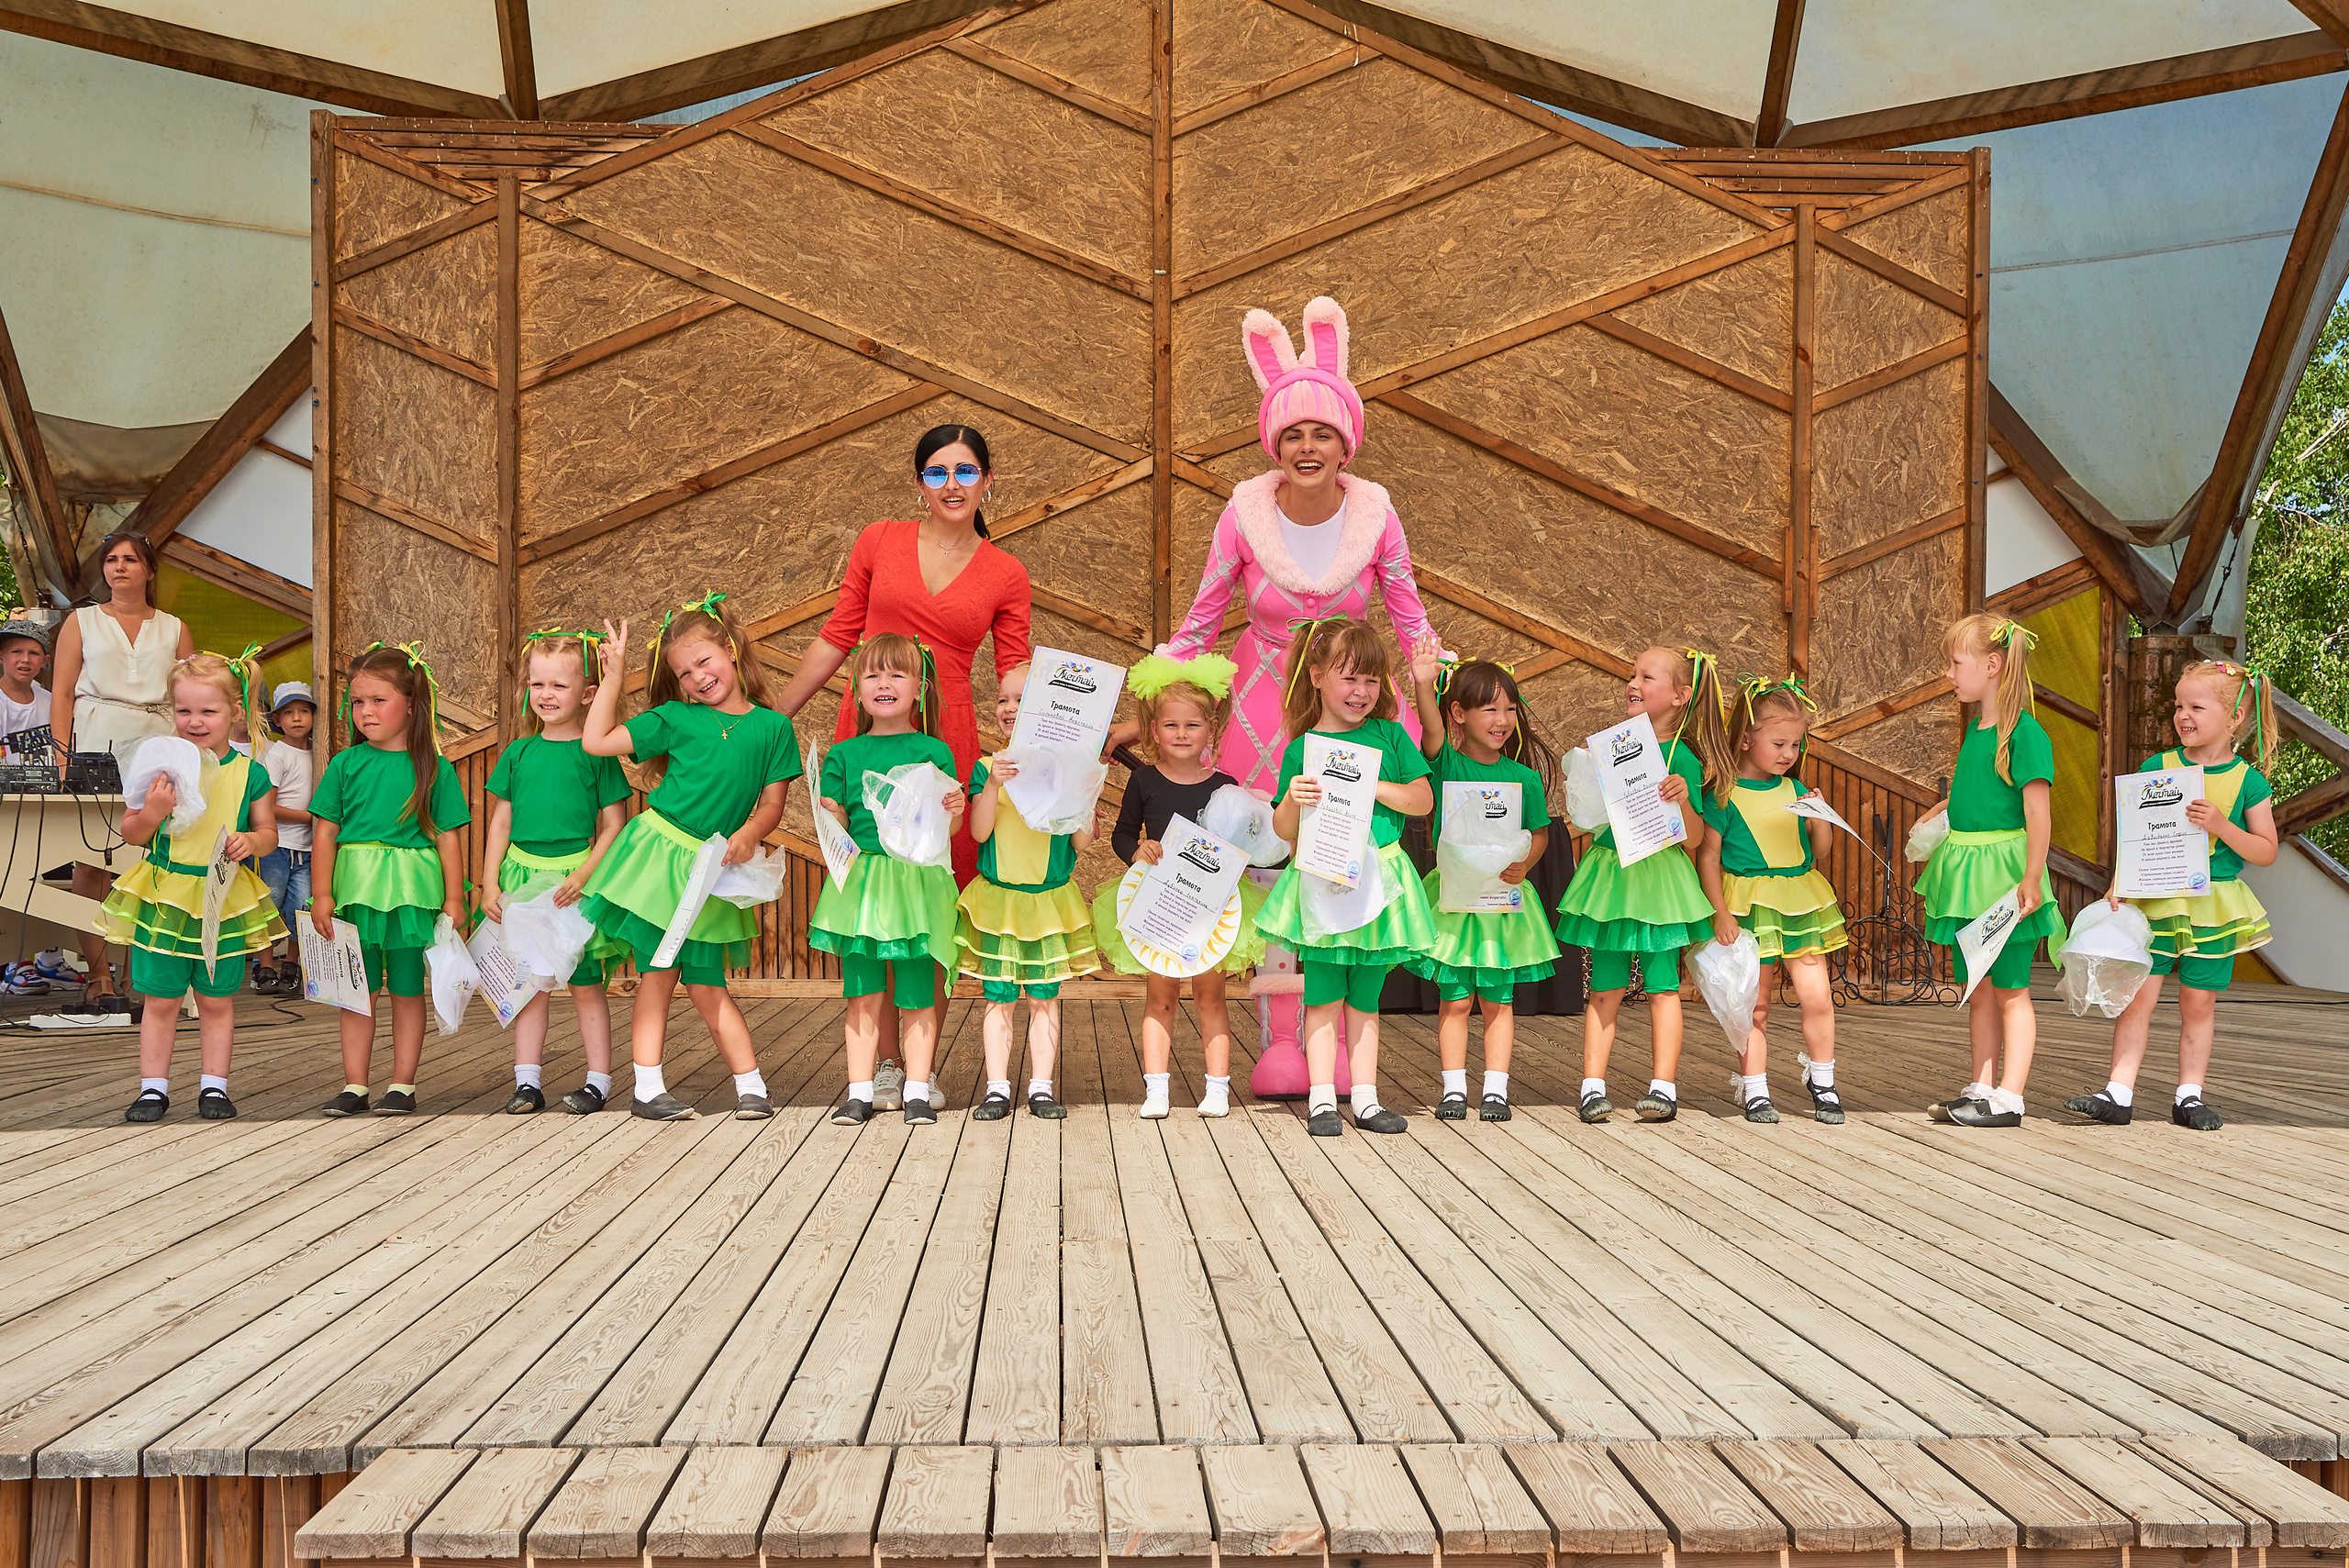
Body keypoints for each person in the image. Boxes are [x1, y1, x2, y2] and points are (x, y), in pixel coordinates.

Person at [1139, 298, 1438, 1095]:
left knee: (1344, 854)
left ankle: (1336, 1044)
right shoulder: (1244, 513)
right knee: (1271, 864)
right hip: (1265, 703)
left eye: (1323, 432)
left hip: (1348, 702)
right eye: (1294, 433)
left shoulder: (1376, 514)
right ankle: (1280, 1041)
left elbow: (1407, 610)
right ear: (1275, 441)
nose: (1308, 447)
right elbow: (1203, 615)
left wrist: (1426, 681)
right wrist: (1158, 684)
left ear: (1347, 440)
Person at [776, 426, 1031, 1110]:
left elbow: (1017, 667)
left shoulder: (1005, 572)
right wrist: (771, 718)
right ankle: (882, 1065)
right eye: (938, 472)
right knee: (870, 898)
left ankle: (917, 1068)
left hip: (941, 750)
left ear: (987, 481)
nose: (952, 484)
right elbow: (837, 636)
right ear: (918, 483)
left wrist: (1060, 728)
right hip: (865, 739)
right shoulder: (878, 539)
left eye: (966, 470)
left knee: (926, 903)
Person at [580, 595, 800, 1122]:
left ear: (730, 649)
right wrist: (613, 676)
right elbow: (596, 741)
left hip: (714, 867)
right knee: (658, 972)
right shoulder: (675, 718)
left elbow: (772, 805)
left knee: (707, 982)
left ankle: (752, 1088)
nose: (698, 677)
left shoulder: (772, 728)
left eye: (704, 661)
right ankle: (648, 1090)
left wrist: (750, 833)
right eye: (684, 673)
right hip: (660, 857)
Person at [2065, 661, 2279, 1132]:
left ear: (2234, 718)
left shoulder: (2248, 781)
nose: (2182, 715)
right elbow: (2138, 838)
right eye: (2178, 705)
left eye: (2196, 706)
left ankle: (2189, 1096)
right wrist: (2120, 883)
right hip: (2156, 902)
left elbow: (2266, 851)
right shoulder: (2156, 767)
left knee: (2198, 1003)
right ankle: (2118, 1093)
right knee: (2137, 999)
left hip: (2214, 908)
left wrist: (2223, 826)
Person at [1260, 617, 1434, 1137]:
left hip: (1381, 877)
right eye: (1348, 677)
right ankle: (1320, 1101)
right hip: (1321, 877)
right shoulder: (1302, 748)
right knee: (1323, 993)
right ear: (1315, 676)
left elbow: (1422, 800)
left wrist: (1374, 787)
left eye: (1371, 680)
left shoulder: (1390, 735)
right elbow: (1283, 829)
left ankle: (1366, 1098)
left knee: (1366, 997)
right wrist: (1294, 797)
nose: (1361, 692)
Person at [105, 651, 284, 1122]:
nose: (195, 721)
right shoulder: (161, 763)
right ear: (172, 712)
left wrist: (251, 840)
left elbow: (269, 833)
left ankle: (214, 1087)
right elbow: (133, 833)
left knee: (215, 998)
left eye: (208, 711)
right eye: (184, 711)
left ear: (235, 713)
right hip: (165, 895)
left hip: (221, 898)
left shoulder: (251, 773)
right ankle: (152, 1088)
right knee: (161, 999)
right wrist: (152, 813)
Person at [1553, 647, 1728, 1124]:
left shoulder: (1684, 758)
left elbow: (1693, 838)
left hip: (1659, 881)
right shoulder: (1609, 746)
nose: (1633, 683)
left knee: (1662, 987)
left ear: (1679, 695)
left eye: (1646, 677)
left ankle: (1663, 1087)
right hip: (1611, 875)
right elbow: (1587, 818)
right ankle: (1592, 1087)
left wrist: (1683, 799)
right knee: (1604, 987)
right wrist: (1587, 777)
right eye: (1631, 675)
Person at [1094, 652, 1266, 1118]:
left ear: (1211, 729)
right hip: (1160, 903)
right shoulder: (1144, 780)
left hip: (1211, 909)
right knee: (1161, 996)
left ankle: (1216, 1089)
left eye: (1193, 725)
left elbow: (1242, 843)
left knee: (1211, 995)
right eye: (1171, 725)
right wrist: (1137, 852)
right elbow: (1123, 832)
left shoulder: (1227, 785)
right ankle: (1156, 1090)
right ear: (1154, 731)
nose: (1183, 734)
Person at [1918, 615, 2066, 1129]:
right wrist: (1942, 814)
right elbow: (1980, 799)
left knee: (2011, 988)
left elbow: (2036, 813)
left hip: (2004, 876)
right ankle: (1980, 1087)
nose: (1950, 674)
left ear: (1992, 664)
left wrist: (2030, 876)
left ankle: (2010, 1097)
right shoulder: (1977, 730)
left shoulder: (2025, 733)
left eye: (1956, 663)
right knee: (1978, 986)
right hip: (1966, 875)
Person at [309, 642, 470, 1116]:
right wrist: (322, 893)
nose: (365, 711)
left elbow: (448, 839)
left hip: (410, 896)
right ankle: (355, 1085)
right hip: (355, 892)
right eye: (358, 701)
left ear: (412, 704)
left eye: (379, 700)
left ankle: (402, 1084)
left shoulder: (433, 768)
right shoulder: (344, 764)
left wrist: (455, 900)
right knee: (356, 991)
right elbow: (325, 834)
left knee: (405, 987)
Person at [810, 633, 963, 1127]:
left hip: (917, 880)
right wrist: (829, 812)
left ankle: (918, 1089)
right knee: (862, 989)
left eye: (897, 674)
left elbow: (949, 829)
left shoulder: (935, 751)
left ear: (919, 689)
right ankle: (858, 1091)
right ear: (856, 690)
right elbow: (834, 825)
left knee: (919, 984)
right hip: (862, 882)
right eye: (873, 674)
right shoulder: (843, 754)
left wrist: (956, 810)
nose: (884, 683)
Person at [1405, 639, 1559, 1123]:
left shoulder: (1524, 778)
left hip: (1502, 902)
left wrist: (1526, 864)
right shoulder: (1445, 764)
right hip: (1454, 900)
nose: (1502, 719)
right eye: (1489, 708)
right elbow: (1428, 728)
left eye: (1510, 709)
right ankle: (1453, 1090)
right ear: (1459, 713)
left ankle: (1495, 1090)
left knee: (1498, 1000)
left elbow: (1539, 834)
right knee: (1454, 1000)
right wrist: (1422, 682)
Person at [482, 630, 633, 1116]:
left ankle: (597, 1082)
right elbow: (500, 821)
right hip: (522, 877)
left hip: (575, 879)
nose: (545, 694)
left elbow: (614, 824)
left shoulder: (597, 753)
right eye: (536, 683)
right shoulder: (518, 753)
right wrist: (489, 883)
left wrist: (586, 875)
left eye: (559, 686)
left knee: (586, 982)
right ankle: (527, 1082)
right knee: (530, 984)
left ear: (588, 694)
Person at [50, 532, 195, 1018]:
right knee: (90, 861)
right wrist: (62, 752)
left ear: (150, 571)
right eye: (111, 560)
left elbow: (188, 697)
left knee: (149, 861)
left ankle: (140, 974)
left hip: (157, 745)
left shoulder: (174, 627)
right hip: (95, 740)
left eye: (130, 559)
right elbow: (63, 693)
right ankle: (98, 975)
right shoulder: (81, 621)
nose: (119, 567)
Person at [1695, 675, 1845, 1125]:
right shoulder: (1721, 795)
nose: (1788, 754)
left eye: (1795, 745)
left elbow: (1819, 852)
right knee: (1754, 1003)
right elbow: (1709, 857)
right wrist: (1720, 911)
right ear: (1745, 739)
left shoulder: (1797, 791)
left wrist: (1820, 819)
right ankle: (1755, 1088)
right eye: (1779, 743)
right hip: (1747, 905)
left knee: (1818, 997)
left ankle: (1823, 1080)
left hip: (1800, 901)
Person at [958, 662, 1098, 1120]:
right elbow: (978, 834)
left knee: (1043, 997)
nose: (1009, 707)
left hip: (1047, 903)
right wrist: (994, 782)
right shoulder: (985, 768)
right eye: (1003, 699)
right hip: (999, 902)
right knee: (998, 997)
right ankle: (997, 1089)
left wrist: (1083, 792)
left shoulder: (1066, 772)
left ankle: (1041, 1087)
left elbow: (1081, 841)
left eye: (1022, 700)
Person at [251, 682, 316, 995]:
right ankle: (263, 966)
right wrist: (310, 818)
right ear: (276, 720)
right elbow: (268, 806)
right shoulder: (277, 754)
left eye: (304, 711)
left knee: (301, 908)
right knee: (269, 905)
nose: (297, 718)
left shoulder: (322, 751)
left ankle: (291, 965)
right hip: (276, 847)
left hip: (308, 848)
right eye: (288, 713)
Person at [0, 615, 52, 758]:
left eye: (34, 653)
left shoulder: (50, 701)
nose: (25, 660)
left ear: (44, 660)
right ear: (1, 656)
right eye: (16, 652)